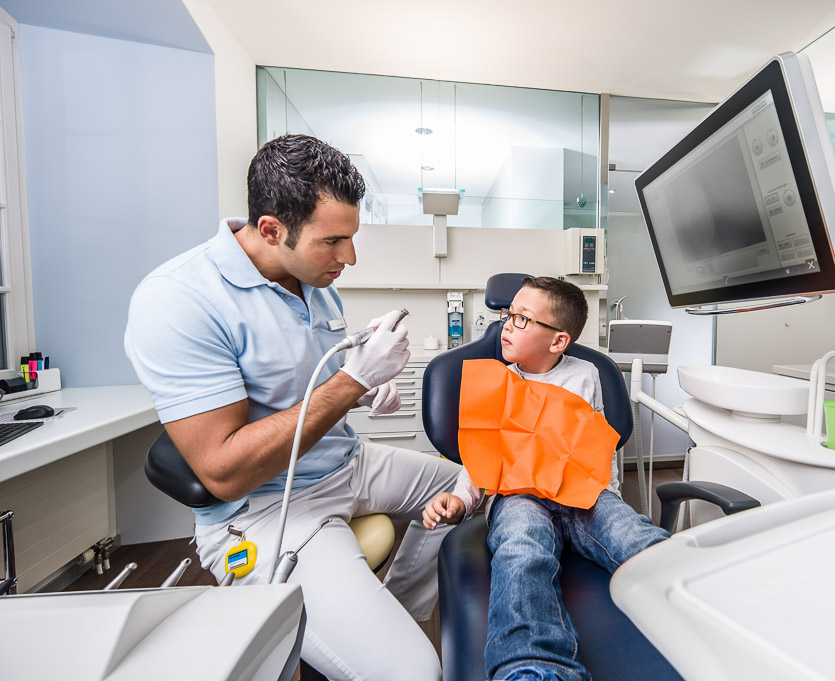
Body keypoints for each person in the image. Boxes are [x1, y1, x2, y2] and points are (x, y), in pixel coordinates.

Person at [125, 134, 462, 681]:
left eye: (351, 238)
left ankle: (388, 614)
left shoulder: (314, 277)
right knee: (414, 673)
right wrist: (353, 381)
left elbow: (308, 383)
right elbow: (225, 471)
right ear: (270, 230)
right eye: (333, 241)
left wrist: (362, 381)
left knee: (468, 490)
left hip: (347, 464)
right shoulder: (177, 300)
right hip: (267, 507)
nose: (348, 258)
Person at [421, 276, 671, 681]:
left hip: (583, 495)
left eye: (522, 319)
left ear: (558, 342)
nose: (507, 325)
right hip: (519, 495)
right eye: (508, 315)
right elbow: (481, 460)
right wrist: (461, 500)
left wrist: (607, 501)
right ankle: (532, 665)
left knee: (634, 535)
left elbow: (593, 452)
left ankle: (712, 608)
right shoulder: (493, 384)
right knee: (522, 550)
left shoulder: (585, 375)